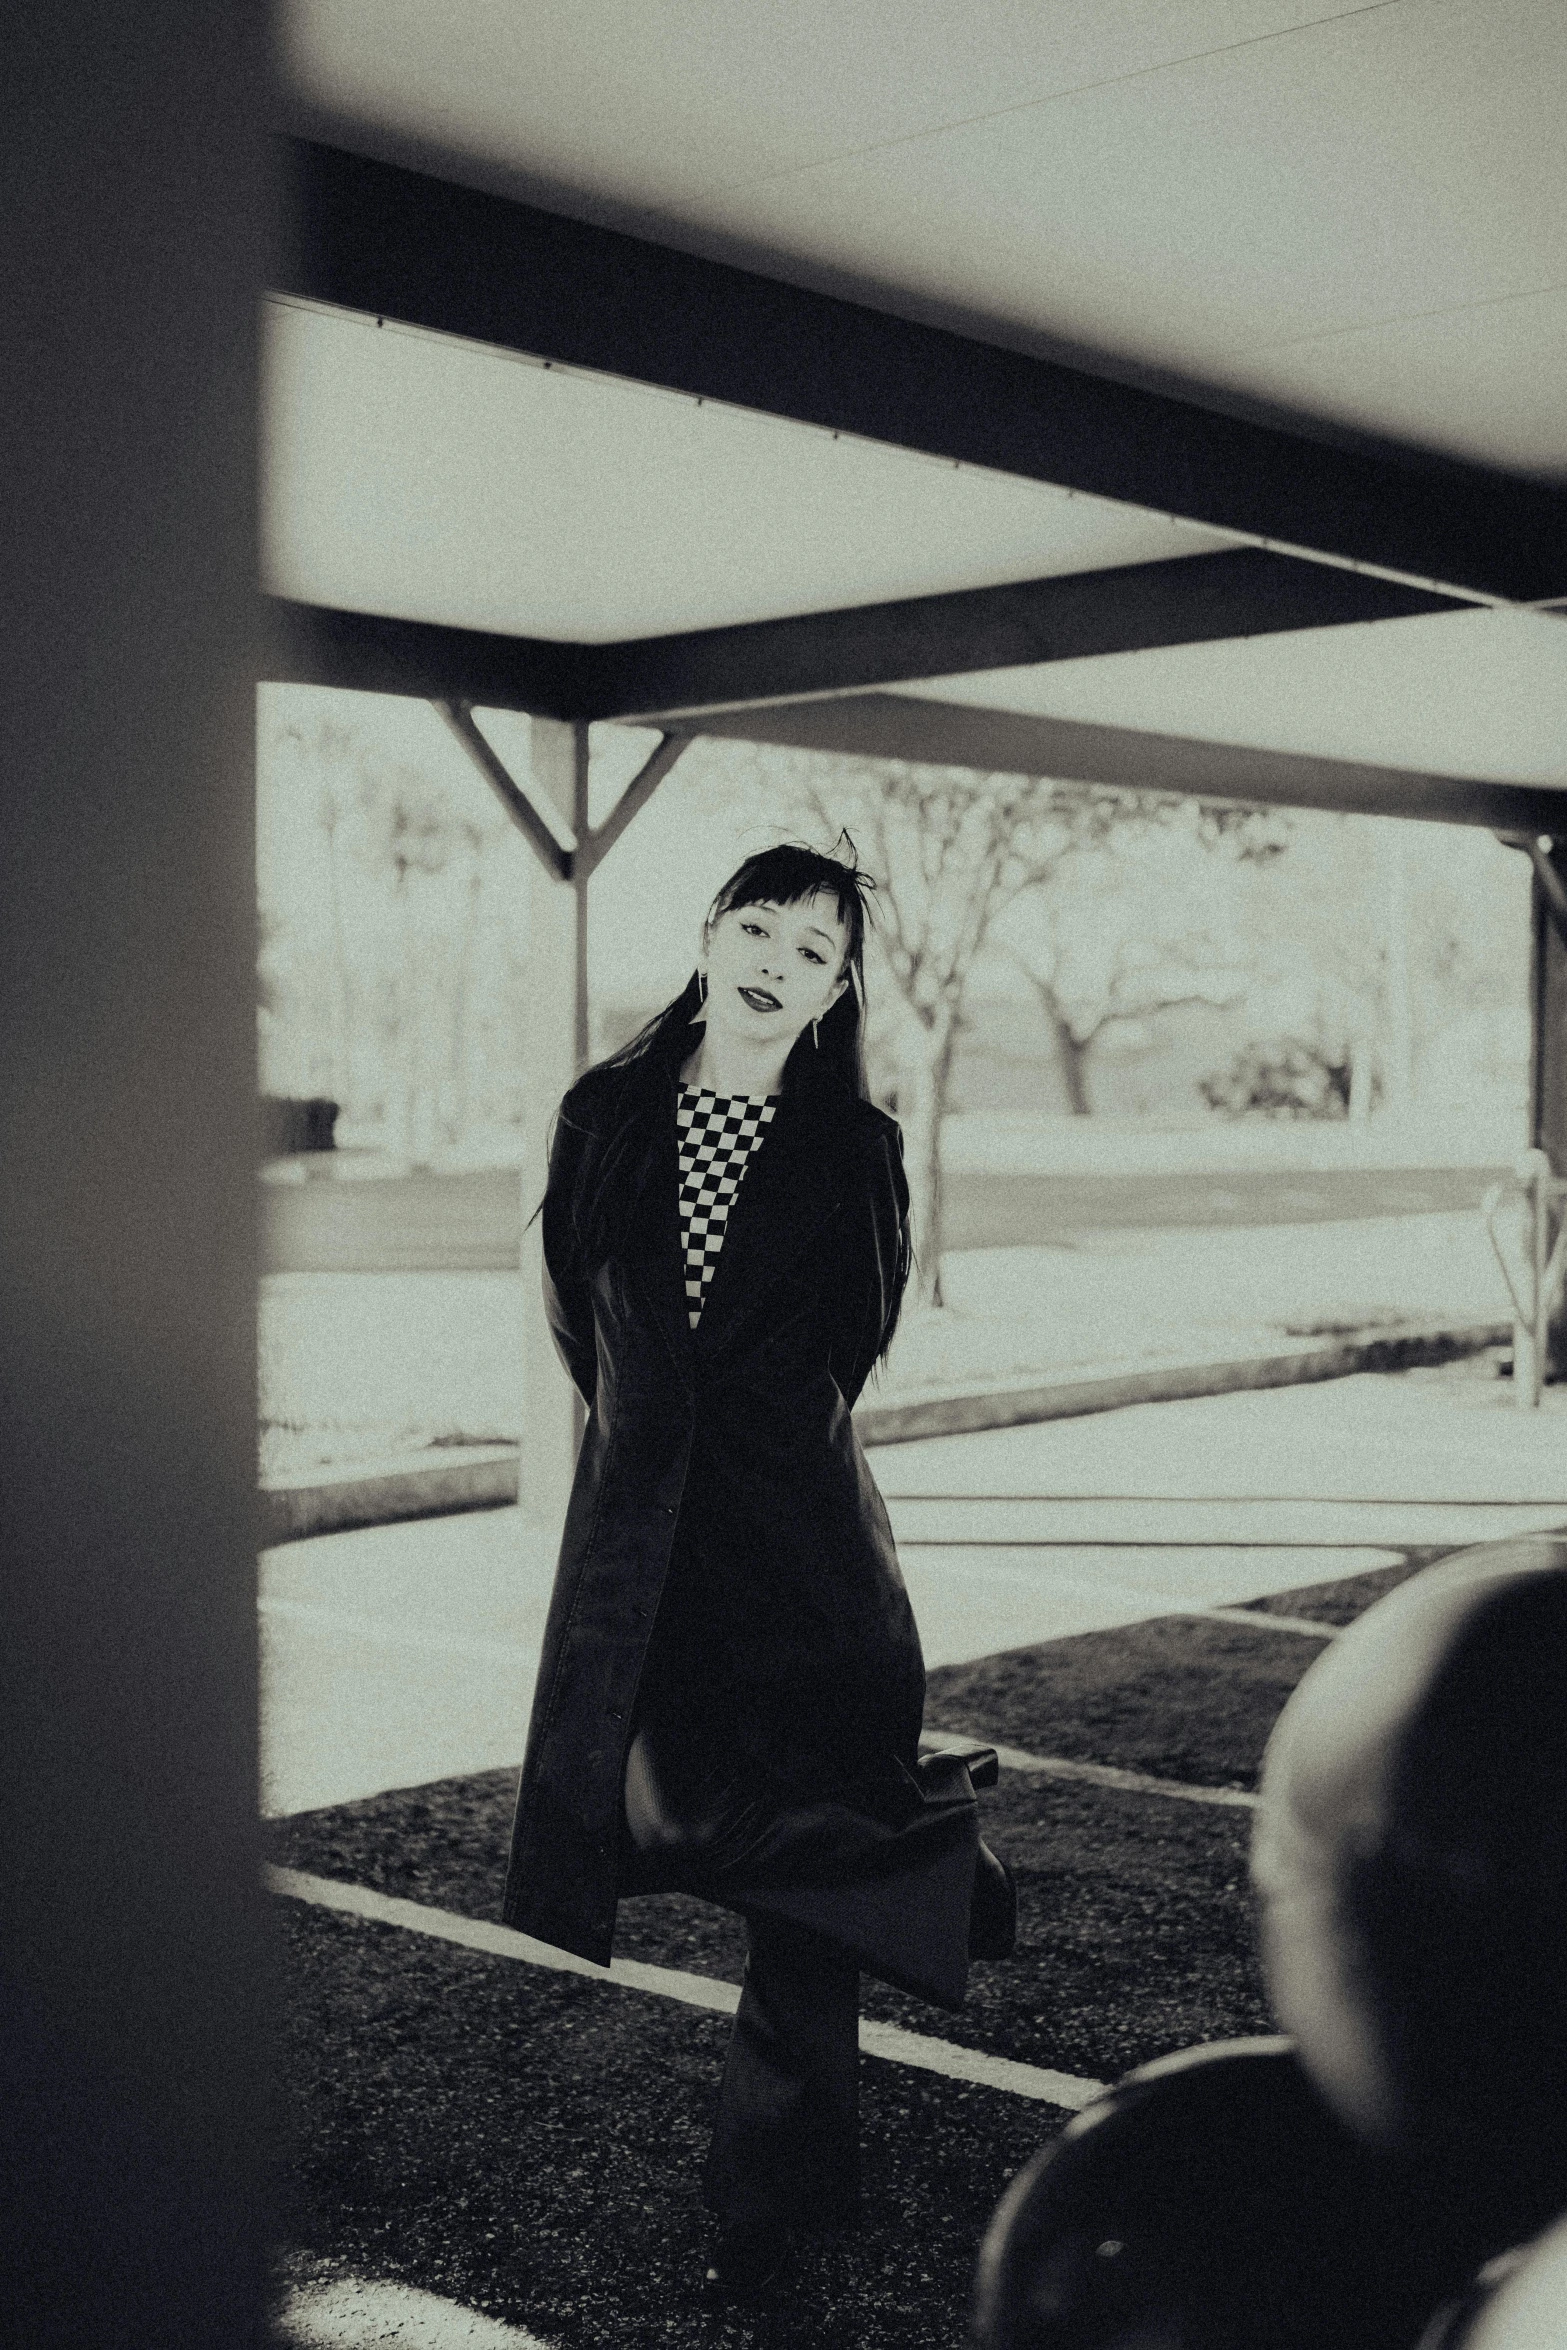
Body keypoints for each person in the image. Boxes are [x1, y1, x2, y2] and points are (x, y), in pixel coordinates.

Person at [501, 841, 1014, 2300]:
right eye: (756, 922)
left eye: (814, 942)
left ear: (838, 985)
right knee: (669, 1820)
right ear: (708, 932)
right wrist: (648, 1432)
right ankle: (920, 1840)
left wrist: (747, 1435)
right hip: (639, 1558)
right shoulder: (603, 1113)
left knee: (796, 1908)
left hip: (798, 1557)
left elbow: (852, 1345)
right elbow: (578, 1316)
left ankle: (770, 2208)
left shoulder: (854, 1147)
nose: (777, 955)